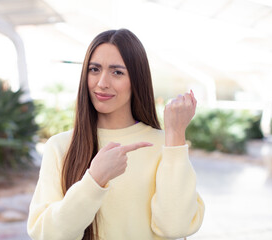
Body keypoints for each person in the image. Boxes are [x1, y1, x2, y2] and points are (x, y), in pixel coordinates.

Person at [27, 28, 205, 240]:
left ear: (137, 79)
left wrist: (175, 134)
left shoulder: (164, 146)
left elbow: (175, 227)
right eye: (94, 69)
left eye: (117, 72)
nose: (102, 82)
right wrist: (94, 181)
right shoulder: (60, 146)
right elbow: (47, 235)